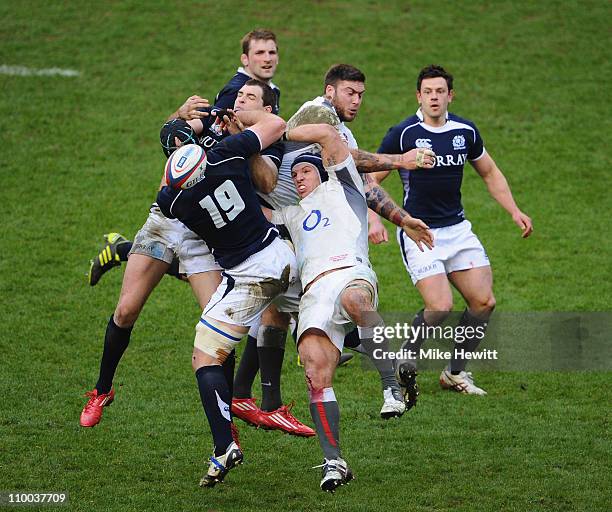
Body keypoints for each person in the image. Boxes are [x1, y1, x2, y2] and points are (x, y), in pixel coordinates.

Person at [79, 80, 285, 433]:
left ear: (265, 109)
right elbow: (171, 133)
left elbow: (266, 180)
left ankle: (223, 420)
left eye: (249, 98)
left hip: (204, 234)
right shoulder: (215, 118)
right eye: (239, 95)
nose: (238, 101)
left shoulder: (260, 138)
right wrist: (180, 114)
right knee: (127, 309)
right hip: (167, 220)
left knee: (218, 325)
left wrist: (242, 129)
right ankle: (101, 390)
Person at [239, 64, 435, 423]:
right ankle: (261, 399)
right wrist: (401, 160)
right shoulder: (319, 113)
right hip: (280, 220)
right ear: (330, 91)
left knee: (280, 307)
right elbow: (342, 158)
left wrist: (401, 219)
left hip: (303, 228)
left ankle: (264, 401)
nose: (357, 101)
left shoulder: (340, 131)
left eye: (361, 94)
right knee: (270, 304)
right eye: (350, 92)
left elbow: (359, 182)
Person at [268, 109, 433, 491]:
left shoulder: (344, 185)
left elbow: (327, 134)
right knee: (314, 375)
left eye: (304, 172)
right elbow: (248, 212)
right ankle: (334, 462)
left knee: (356, 301)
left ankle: (391, 387)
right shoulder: (290, 212)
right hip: (313, 296)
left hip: (350, 272)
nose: (298, 178)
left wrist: (278, 132)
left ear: (321, 170)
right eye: (294, 176)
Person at [157, 109, 296, 488]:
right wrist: (235, 121)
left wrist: (183, 131)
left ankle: (224, 445)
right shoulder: (228, 154)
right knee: (320, 320)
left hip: (249, 277)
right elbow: (277, 125)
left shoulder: (175, 202)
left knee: (205, 356)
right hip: (282, 254)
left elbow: (167, 184)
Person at [374, 64, 533, 396]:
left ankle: (455, 372)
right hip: (420, 233)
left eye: (440, 91)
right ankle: (407, 354)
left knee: (484, 302)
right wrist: (377, 219)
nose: (434, 97)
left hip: (458, 230)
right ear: (418, 96)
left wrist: (514, 210)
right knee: (440, 306)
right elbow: (371, 179)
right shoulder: (403, 134)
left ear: (450, 95)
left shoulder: (465, 131)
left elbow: (490, 173)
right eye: (428, 92)